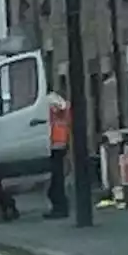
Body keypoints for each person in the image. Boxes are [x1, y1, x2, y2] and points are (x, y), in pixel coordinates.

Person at [46, 90, 71, 219]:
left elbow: (61, 108)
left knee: (57, 179)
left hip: (57, 143)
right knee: (57, 178)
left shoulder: (51, 99)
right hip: (57, 143)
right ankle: (59, 208)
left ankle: (60, 208)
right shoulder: (52, 99)